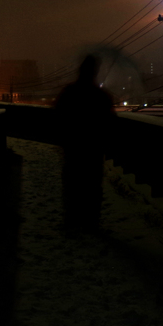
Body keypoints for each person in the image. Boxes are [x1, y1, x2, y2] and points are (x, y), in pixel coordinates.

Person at [54, 54, 116, 237]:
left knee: (72, 186)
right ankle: (91, 224)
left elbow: (57, 118)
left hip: (73, 147)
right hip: (93, 149)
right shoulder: (101, 96)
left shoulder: (69, 92)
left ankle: (71, 222)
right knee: (92, 188)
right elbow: (110, 124)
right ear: (95, 72)